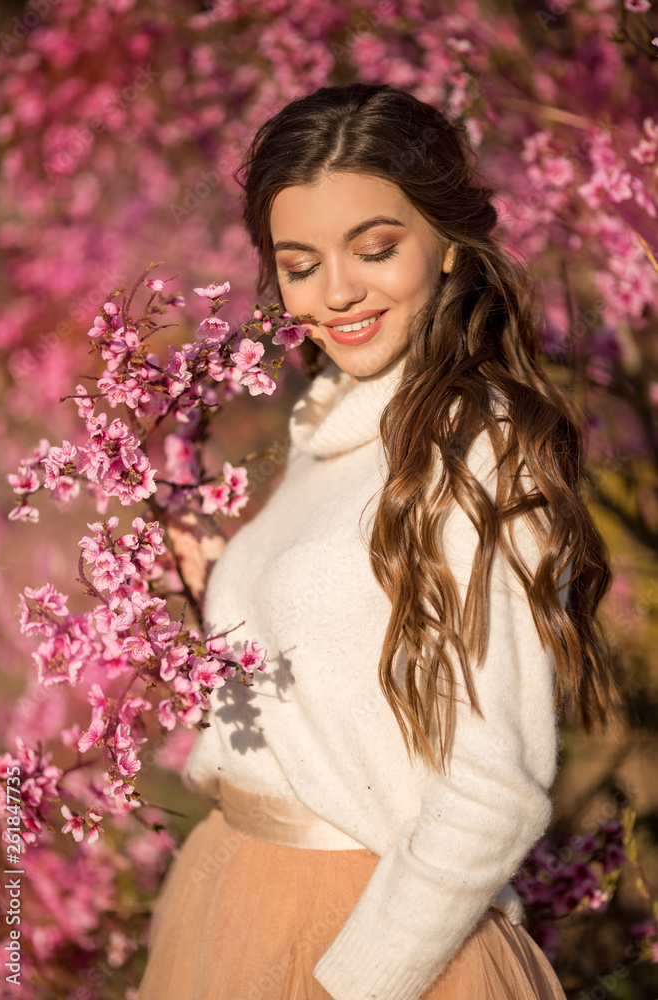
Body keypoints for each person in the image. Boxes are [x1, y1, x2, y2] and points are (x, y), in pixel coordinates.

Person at [136, 83, 622, 1000]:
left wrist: (351, 979)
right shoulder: (338, 422)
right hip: (233, 890)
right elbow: (343, 687)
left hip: (362, 939)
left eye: (376, 248)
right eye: (300, 262)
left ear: (445, 244)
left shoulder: (474, 449)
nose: (339, 292)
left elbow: (493, 791)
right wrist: (220, 593)